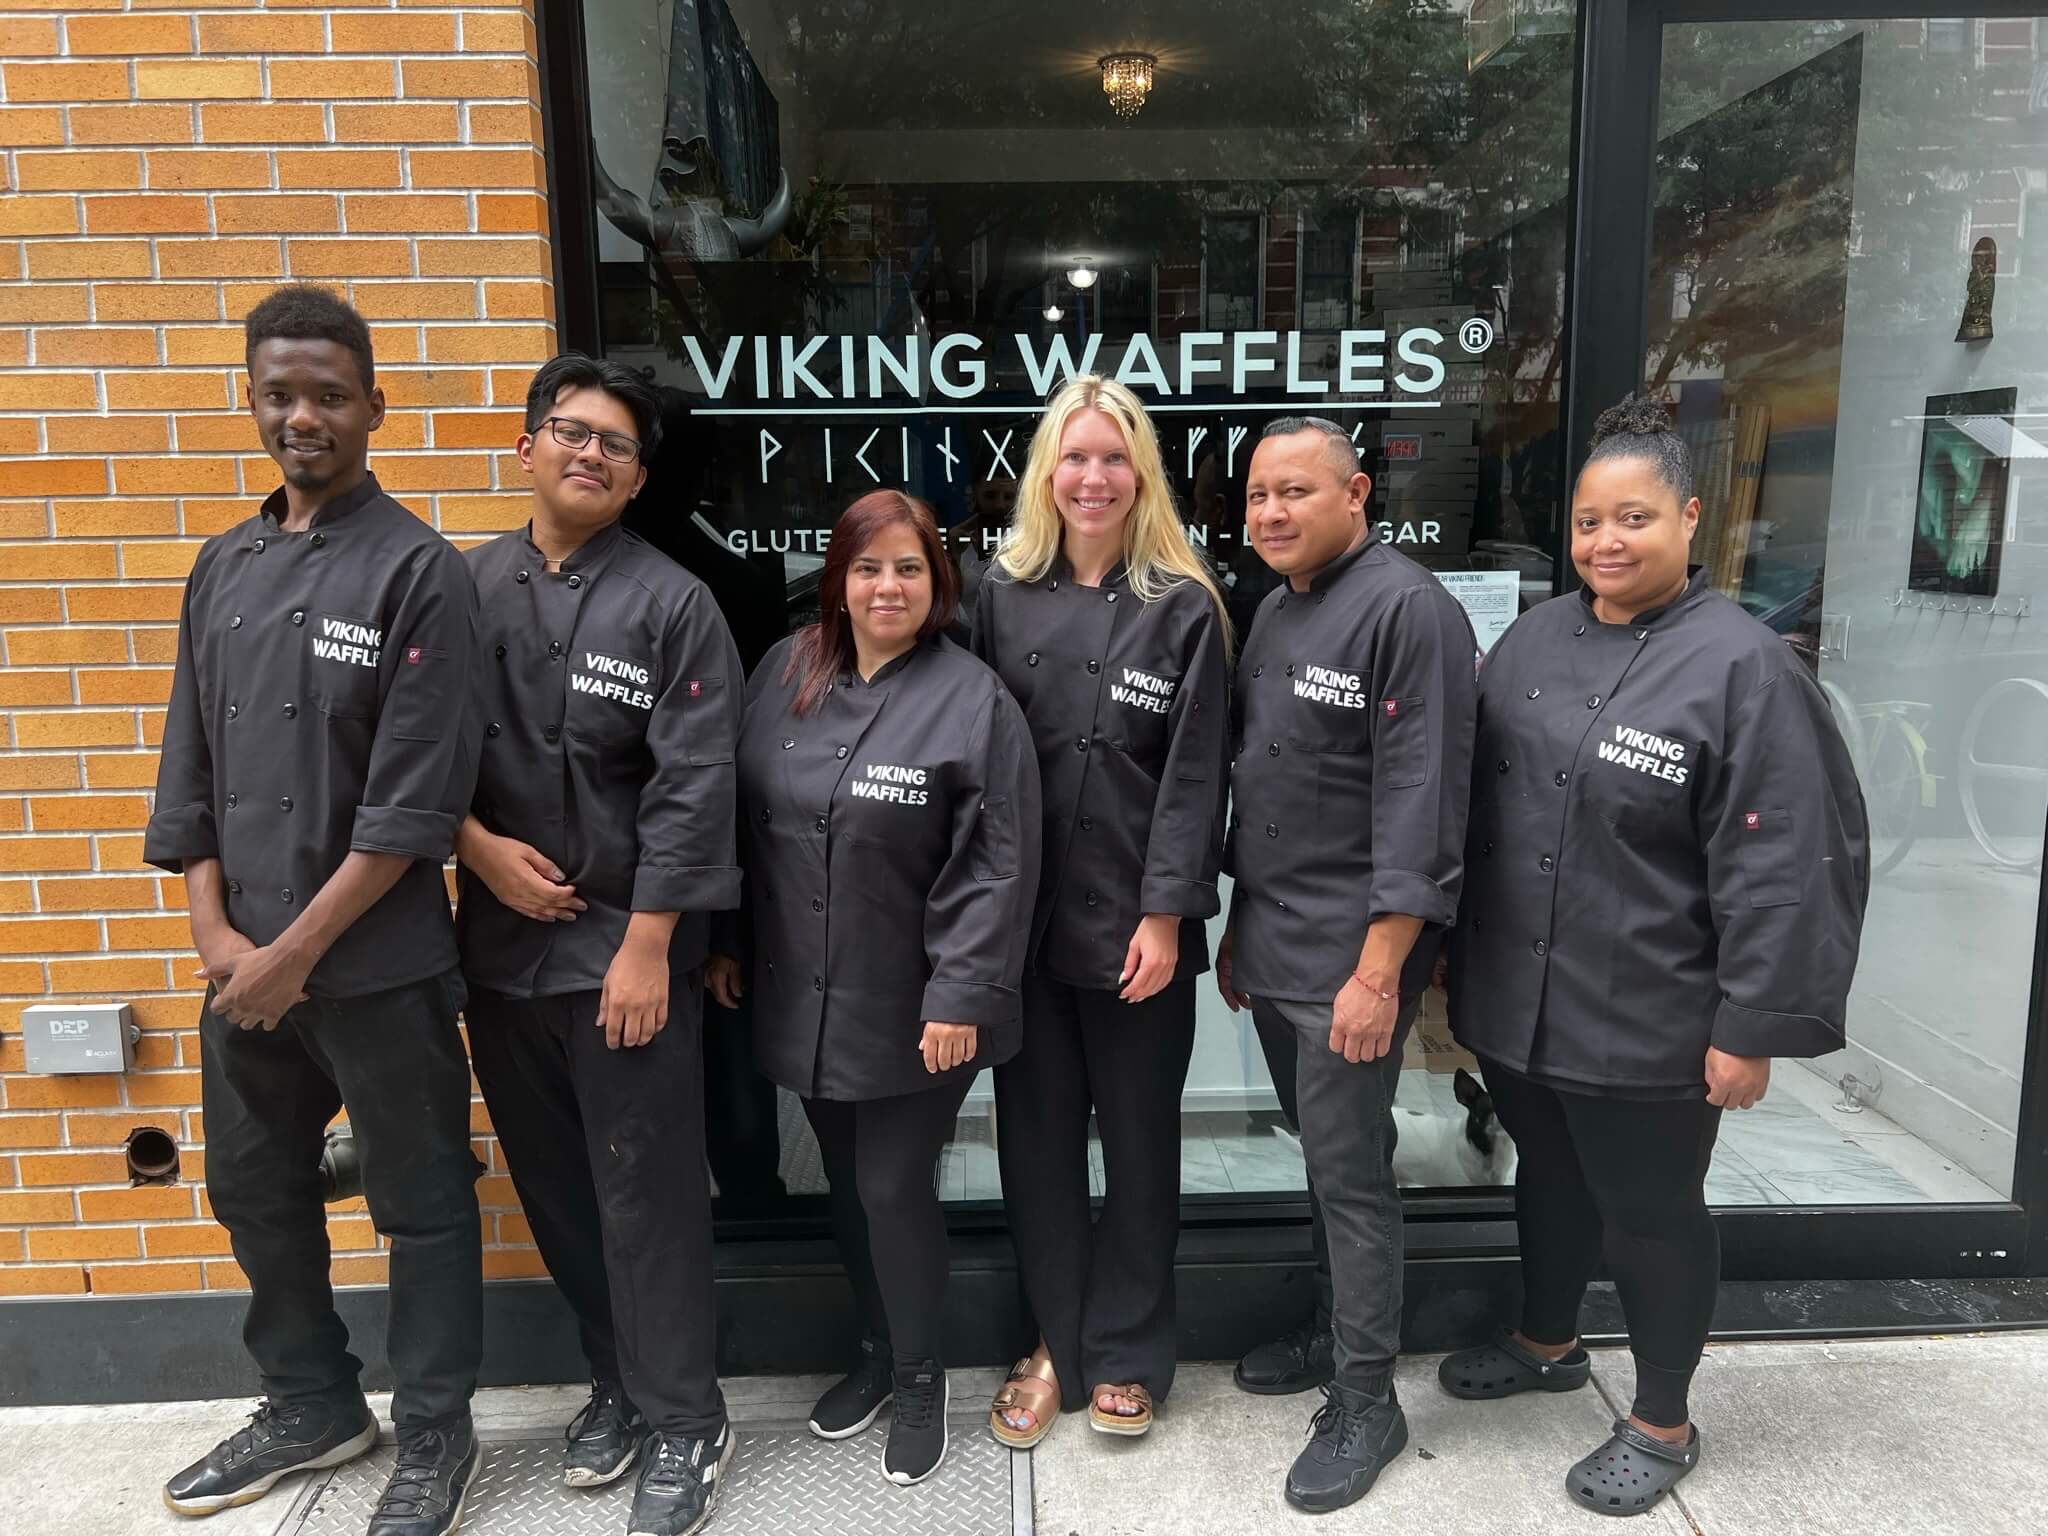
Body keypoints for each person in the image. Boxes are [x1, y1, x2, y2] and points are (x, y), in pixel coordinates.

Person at [1440, 395, 1870, 1518]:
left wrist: (1748, 1027)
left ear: (1690, 518)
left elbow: (1784, 865)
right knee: (1548, 1175)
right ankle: (1545, 1343)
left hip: (1654, 1011)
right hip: (1523, 995)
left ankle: (1661, 1418)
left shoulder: (1745, 669)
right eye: (1587, 523)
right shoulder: (1532, 637)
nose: (1605, 543)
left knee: (1649, 1211)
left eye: (1631, 518)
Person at [147, 286, 484, 1536]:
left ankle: (436, 1435)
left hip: (377, 964)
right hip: (241, 966)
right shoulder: (221, 566)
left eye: (329, 395)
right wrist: (218, 939)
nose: (304, 415)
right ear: (250, 401)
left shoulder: (419, 571)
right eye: (280, 393)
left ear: (373, 410)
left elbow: (412, 803)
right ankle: (311, 1401)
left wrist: (292, 952)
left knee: (423, 1201)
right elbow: (189, 770)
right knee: (252, 1189)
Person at [454, 353, 744, 1536]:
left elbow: (694, 785)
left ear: (634, 480)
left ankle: (686, 1416)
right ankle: (614, 1385)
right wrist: (471, 848)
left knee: (648, 1195)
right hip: (498, 954)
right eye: (569, 433)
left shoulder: (672, 604)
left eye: (614, 445)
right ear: (526, 448)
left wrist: (649, 945)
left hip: (626, 959)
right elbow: (409, 757)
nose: (587, 454)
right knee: (560, 1195)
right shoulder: (458, 589)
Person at [705, 491, 1041, 1486]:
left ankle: (921, 1371)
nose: (885, 586)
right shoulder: (783, 672)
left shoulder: (974, 699)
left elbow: (1000, 864)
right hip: (803, 990)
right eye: (866, 568)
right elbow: (735, 815)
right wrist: (724, 941)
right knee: (846, 1188)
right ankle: (872, 1350)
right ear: (836, 583)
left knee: (893, 1188)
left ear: (938, 583)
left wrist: (961, 996)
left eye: (907, 567)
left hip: (918, 1001)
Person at [1216, 415, 1477, 1514]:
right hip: (1273, 946)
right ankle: (1334, 1333)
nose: (1270, 513)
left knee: (1352, 1178)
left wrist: (1379, 976)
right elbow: (1266, 789)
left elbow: (1422, 808)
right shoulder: (1274, 609)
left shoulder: (1407, 610)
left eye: (1293, 492)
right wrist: (1235, 928)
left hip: (1347, 961)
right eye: (1256, 497)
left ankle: (1367, 1397)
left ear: (1356, 492)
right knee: (1324, 1163)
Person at [970, 376, 1229, 1446]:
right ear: (1044, 474)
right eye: (1072, 458)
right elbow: (970, 764)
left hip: (1134, 927)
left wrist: (1165, 915)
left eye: (1112, 459)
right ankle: (1051, 1347)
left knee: (1136, 1142)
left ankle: (1128, 1349)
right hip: (1021, 927)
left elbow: (1195, 776)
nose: (1092, 477)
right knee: (1032, 1143)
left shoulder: (1186, 606)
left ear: (1141, 475)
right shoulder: (997, 593)